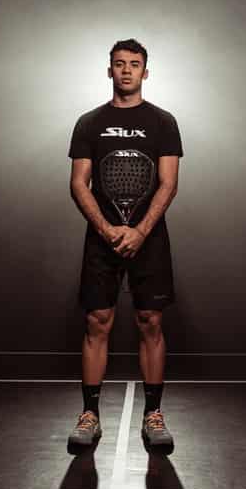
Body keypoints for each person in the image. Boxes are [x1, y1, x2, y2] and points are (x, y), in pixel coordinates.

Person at [66, 38, 183, 449]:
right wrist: (106, 229)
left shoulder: (164, 122)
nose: (127, 70)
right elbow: (79, 183)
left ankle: (153, 415)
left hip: (148, 237)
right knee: (97, 322)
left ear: (145, 72)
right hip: (102, 237)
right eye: (120, 64)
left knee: (150, 322)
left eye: (135, 64)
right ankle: (89, 416)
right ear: (109, 70)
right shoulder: (88, 123)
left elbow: (168, 184)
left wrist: (140, 231)